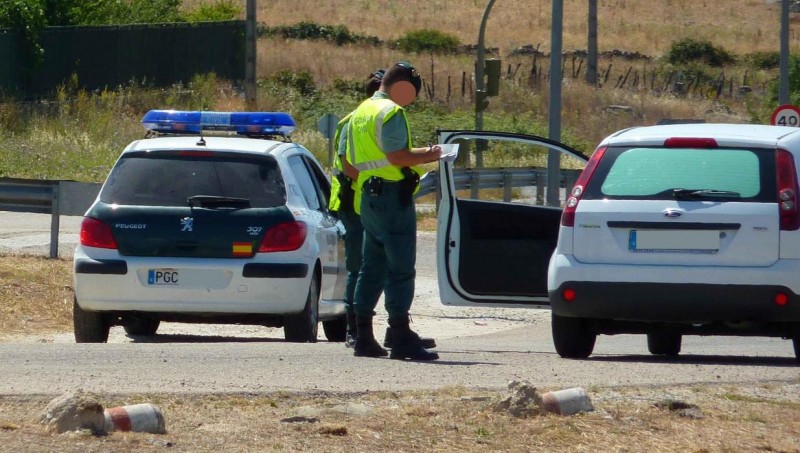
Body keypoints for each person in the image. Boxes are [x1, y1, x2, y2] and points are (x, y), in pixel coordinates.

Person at [330, 69, 437, 350]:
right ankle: (400, 332)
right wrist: (433, 154)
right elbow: (397, 156)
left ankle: (362, 334)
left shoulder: (361, 111)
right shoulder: (391, 111)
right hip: (391, 195)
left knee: (371, 266)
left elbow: (351, 162)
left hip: (367, 195)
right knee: (400, 268)